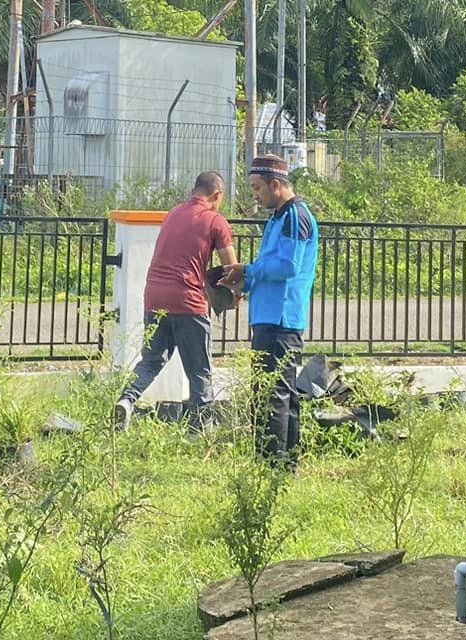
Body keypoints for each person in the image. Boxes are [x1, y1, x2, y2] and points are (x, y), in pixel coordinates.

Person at [114, 171, 239, 431]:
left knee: (150, 360)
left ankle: (127, 400)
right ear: (217, 195)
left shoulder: (172, 214)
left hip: (154, 296)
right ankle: (202, 427)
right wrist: (236, 294)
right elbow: (232, 269)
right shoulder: (215, 221)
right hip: (188, 301)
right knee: (199, 369)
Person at [225, 154, 319, 464]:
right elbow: (270, 267)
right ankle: (285, 465)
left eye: (257, 188)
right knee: (281, 394)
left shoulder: (295, 216)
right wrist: (243, 283)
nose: (255, 194)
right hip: (269, 316)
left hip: (281, 319)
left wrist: (248, 271)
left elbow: (288, 266)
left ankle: (270, 466)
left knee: (271, 395)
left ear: (275, 184)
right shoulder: (277, 217)